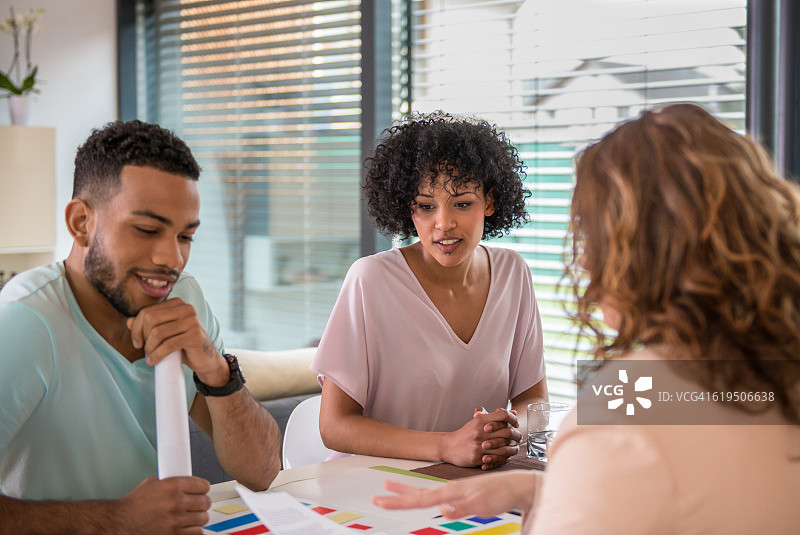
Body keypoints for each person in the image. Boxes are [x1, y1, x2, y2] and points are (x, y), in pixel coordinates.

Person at [372, 104, 800, 533]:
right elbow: (705, 498)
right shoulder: (776, 375)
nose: (582, 259)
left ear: (628, 252)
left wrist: (563, 495)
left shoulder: (621, 408)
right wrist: (546, 491)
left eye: (587, 230)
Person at [0, 121, 282, 534]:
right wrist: (115, 520)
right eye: (147, 230)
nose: (172, 259)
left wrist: (214, 368)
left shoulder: (186, 298)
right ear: (81, 222)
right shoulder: (24, 323)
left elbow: (263, 471)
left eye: (185, 236)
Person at [311, 112, 549, 471]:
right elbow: (334, 427)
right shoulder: (371, 280)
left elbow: (534, 402)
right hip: (373, 483)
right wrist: (447, 447)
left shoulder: (513, 273)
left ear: (491, 201)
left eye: (462, 203)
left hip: (469, 480)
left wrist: (503, 433)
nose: (443, 223)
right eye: (426, 206)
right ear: (408, 209)